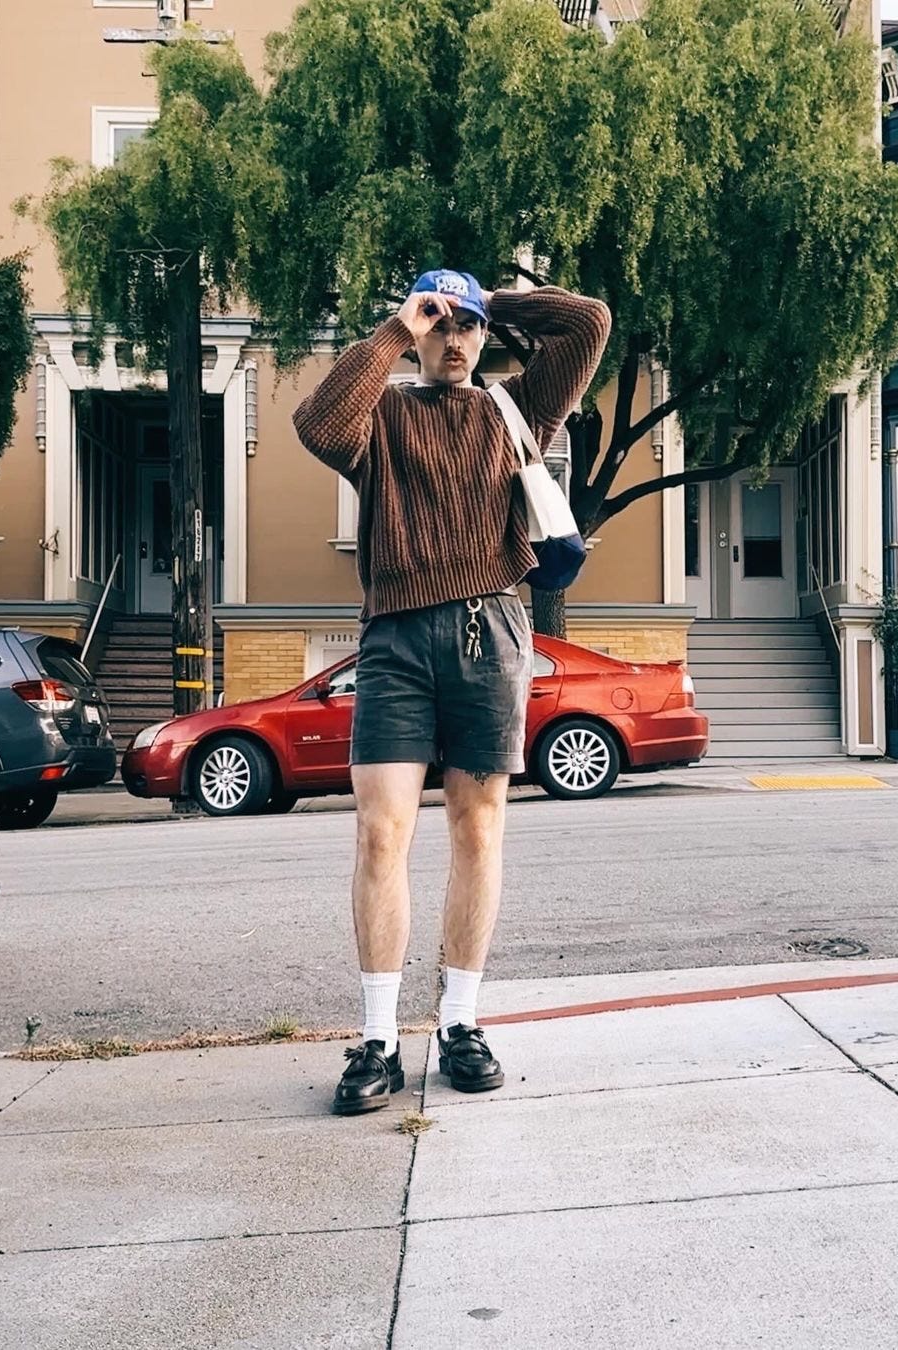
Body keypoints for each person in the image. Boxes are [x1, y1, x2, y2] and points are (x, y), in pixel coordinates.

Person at [293, 268, 610, 1115]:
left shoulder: (518, 411)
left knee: (478, 829)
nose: (458, 338)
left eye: (467, 326)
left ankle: (462, 1024)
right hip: (395, 637)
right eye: (443, 324)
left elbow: (586, 323)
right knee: (379, 833)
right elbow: (317, 425)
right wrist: (399, 328)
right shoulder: (383, 417)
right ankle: (377, 1040)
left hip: (490, 631)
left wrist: (489, 300)